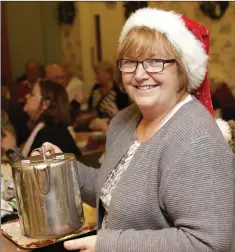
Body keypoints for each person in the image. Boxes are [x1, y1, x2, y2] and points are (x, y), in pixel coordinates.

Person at [36, 8, 235, 252]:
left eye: (155, 61)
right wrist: (63, 167)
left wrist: (109, 244)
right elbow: (108, 190)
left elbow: (211, 244)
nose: (140, 74)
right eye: (130, 62)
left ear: (182, 69)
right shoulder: (124, 120)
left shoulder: (197, 140)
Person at [2, 80, 81, 162]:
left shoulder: (50, 133)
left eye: (32, 94)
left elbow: (36, 172)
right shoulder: (49, 127)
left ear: (45, 104)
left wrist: (12, 151)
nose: (26, 96)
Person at [72, 61, 130, 130]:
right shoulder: (95, 88)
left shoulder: (119, 90)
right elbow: (90, 107)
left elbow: (125, 113)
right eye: (95, 74)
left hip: (112, 125)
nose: (96, 77)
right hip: (93, 124)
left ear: (108, 74)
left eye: (98, 74)